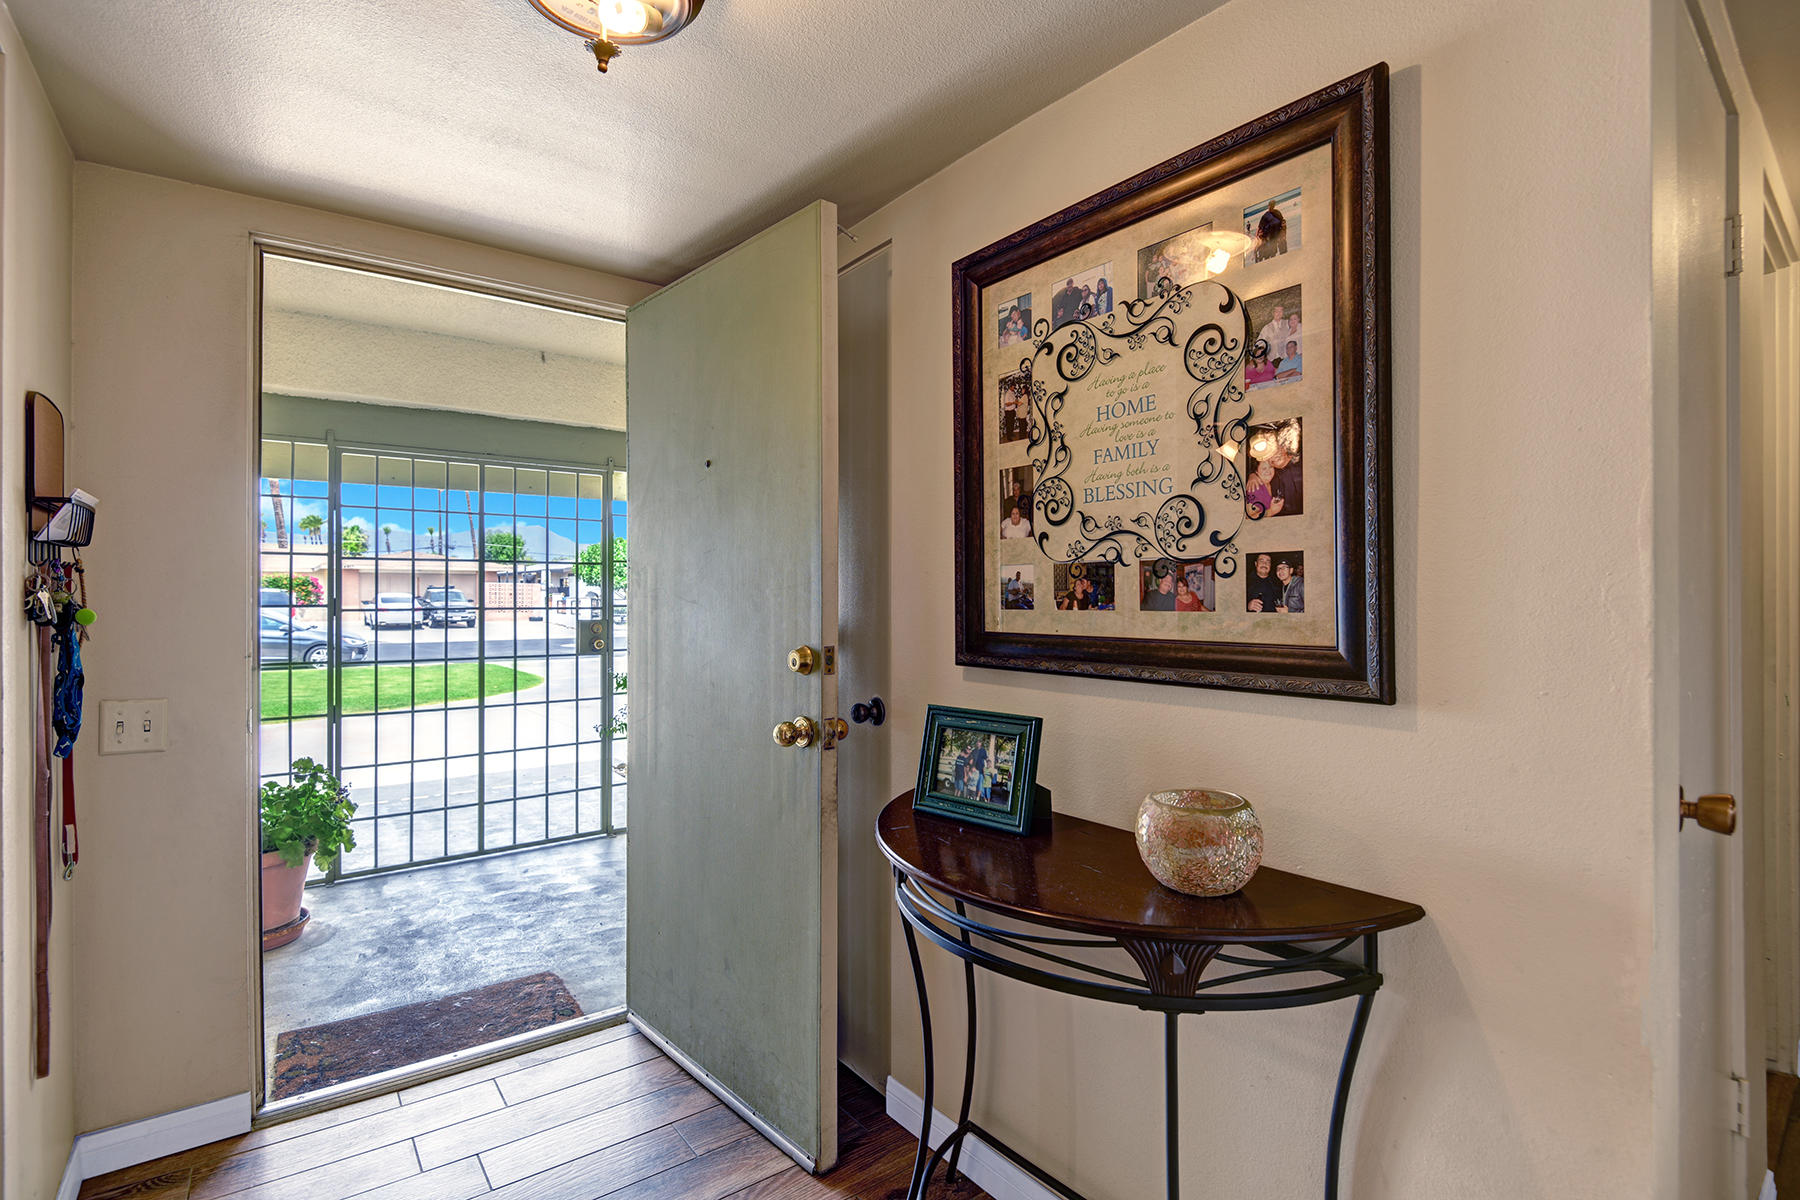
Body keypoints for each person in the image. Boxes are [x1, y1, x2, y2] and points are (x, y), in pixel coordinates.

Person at [1265, 442, 1302, 517]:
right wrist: (1254, 476)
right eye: (1269, 454)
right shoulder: (1270, 476)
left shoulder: (1303, 464)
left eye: (1275, 449)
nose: (1273, 455)